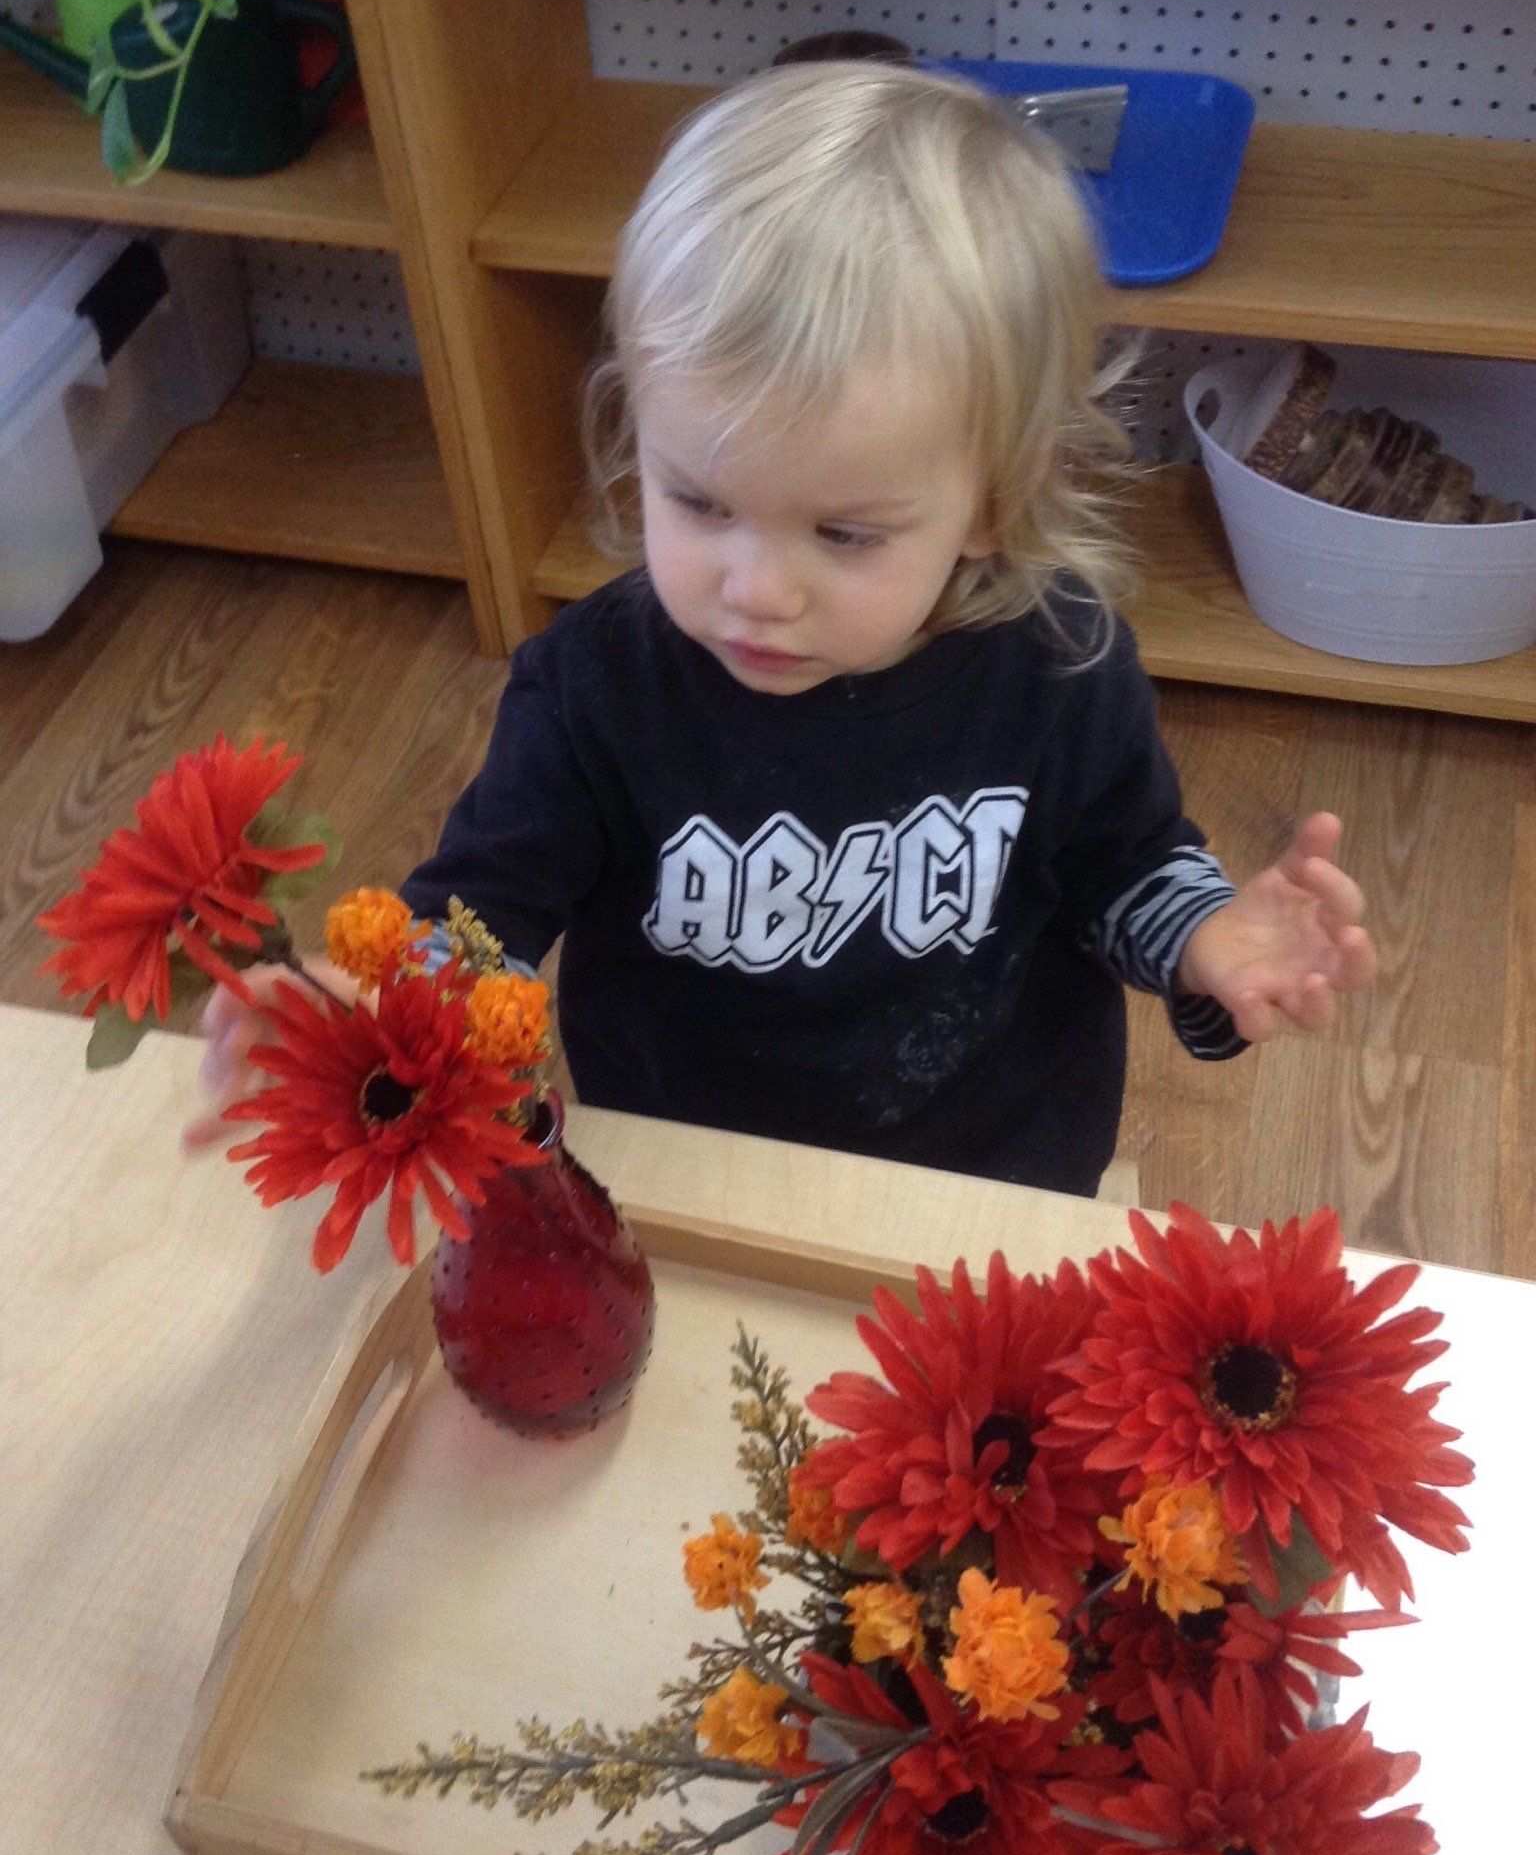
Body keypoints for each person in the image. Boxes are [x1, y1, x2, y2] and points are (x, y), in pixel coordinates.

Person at [190, 61, 1375, 1196]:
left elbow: (1125, 866)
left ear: (994, 504)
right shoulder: (598, 687)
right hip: (677, 1167)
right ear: (637, 432)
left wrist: (1209, 937)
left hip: (997, 1168)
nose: (755, 589)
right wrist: (381, 999)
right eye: (699, 502)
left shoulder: (1059, 665)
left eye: (845, 534)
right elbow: (482, 914)